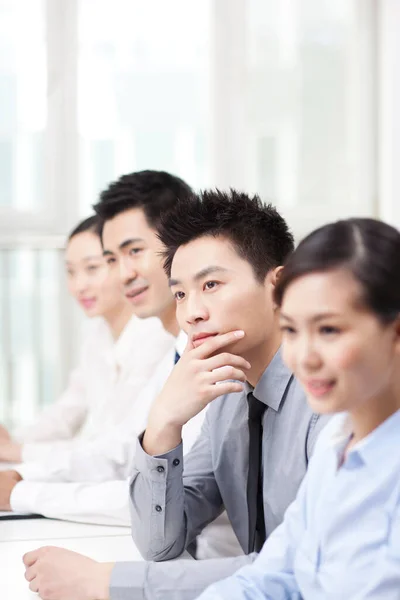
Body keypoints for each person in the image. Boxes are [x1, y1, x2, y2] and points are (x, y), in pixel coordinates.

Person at [22, 189, 330, 600]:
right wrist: (163, 425)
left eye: (212, 284)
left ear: (279, 287)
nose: (192, 312)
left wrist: (105, 582)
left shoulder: (327, 402)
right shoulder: (228, 398)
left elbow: (306, 569)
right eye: (181, 293)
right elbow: (159, 543)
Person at [195, 217, 400, 599]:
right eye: (290, 330)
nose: (303, 357)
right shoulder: (336, 446)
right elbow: (275, 576)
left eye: (329, 330)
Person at [0, 171, 199, 525]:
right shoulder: (177, 348)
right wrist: (23, 475)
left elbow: (163, 496)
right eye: (110, 260)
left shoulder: (189, 349)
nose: (122, 273)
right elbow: (120, 450)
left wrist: (22, 486)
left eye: (134, 251)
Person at [0, 215, 173, 473]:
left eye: (92, 268)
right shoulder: (97, 334)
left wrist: (21, 452)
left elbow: (116, 449)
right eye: (70, 272)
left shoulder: (157, 335)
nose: (79, 286)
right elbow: (66, 412)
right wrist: (12, 443)